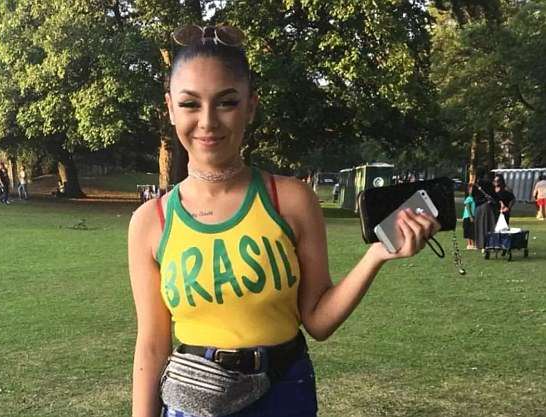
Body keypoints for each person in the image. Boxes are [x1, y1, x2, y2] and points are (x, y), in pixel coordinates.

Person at [127, 24, 439, 417]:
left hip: (283, 392)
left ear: (250, 106)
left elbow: (319, 321)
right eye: (190, 104)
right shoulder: (151, 221)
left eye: (226, 102)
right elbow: (152, 345)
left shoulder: (291, 200)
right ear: (170, 108)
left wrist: (376, 255)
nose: (207, 121)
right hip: (195, 400)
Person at [473, 171, 496, 250]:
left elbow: (473, 196)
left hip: (478, 207)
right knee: (488, 226)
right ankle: (489, 243)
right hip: (487, 206)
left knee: (480, 226)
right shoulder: (489, 184)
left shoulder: (476, 184)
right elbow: (494, 195)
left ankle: (480, 244)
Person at [462, 184, 476, 250]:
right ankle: (470, 245)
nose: (472, 191)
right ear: (468, 191)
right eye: (470, 190)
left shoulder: (473, 198)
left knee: (470, 231)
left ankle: (471, 245)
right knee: (470, 231)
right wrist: (470, 216)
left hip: (470, 216)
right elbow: (468, 207)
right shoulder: (469, 198)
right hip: (468, 217)